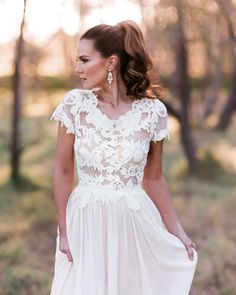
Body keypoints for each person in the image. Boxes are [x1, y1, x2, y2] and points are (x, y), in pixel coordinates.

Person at [49, 20, 198, 295]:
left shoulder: (152, 112)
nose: (77, 68)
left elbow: (153, 178)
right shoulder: (74, 105)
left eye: (84, 60)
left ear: (111, 62)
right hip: (86, 219)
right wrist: (65, 230)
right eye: (77, 60)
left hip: (134, 220)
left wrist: (177, 230)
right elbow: (63, 170)